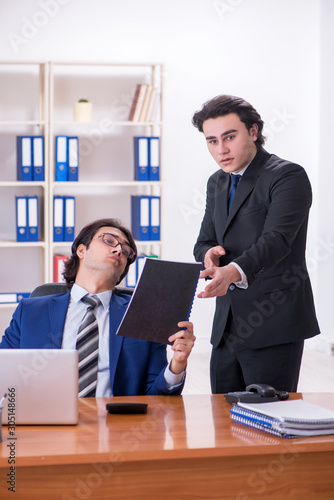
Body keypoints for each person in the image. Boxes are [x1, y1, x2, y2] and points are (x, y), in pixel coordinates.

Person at [192, 94, 320, 394]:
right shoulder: (217, 181)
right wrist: (208, 255)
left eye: (229, 137)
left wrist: (232, 271)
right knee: (222, 422)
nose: (221, 149)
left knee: (269, 424)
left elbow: (277, 240)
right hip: (227, 327)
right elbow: (204, 241)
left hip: (273, 322)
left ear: (253, 131)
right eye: (211, 141)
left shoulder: (287, 175)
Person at [0, 218, 196, 397]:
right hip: (46, 425)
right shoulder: (30, 311)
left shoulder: (144, 315)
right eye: (109, 240)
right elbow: (4, 374)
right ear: (81, 250)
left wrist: (177, 364)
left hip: (115, 426)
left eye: (126, 251)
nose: (119, 250)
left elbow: (157, 396)